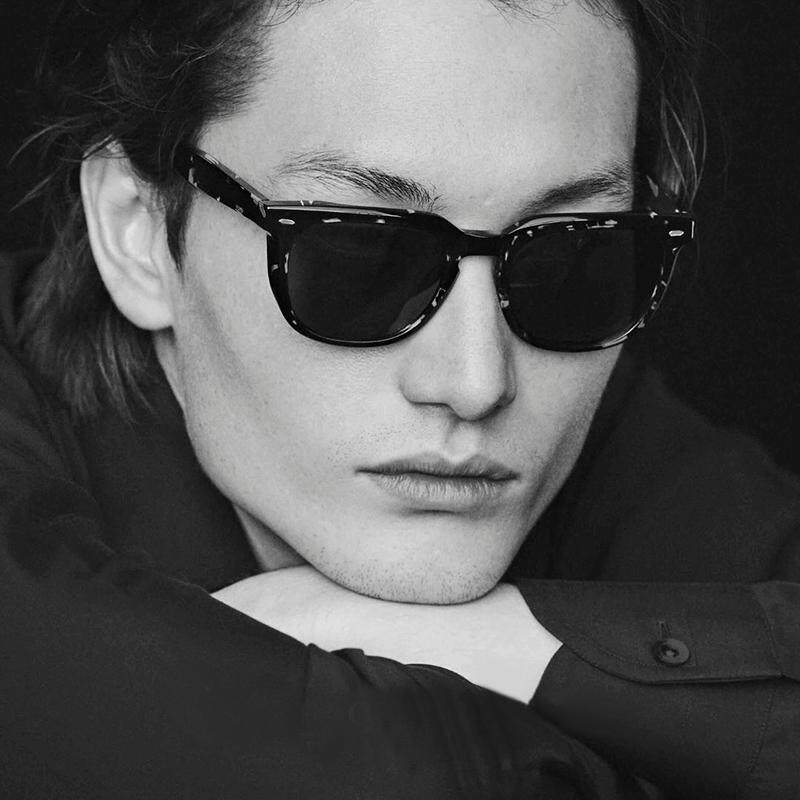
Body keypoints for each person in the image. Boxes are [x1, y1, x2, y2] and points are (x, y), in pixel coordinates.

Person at [1, 0, 799, 797]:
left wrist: (521, 648)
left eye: (568, 250)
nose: (477, 382)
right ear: (137, 231)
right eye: (362, 253)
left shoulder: (618, 429)